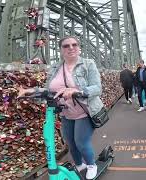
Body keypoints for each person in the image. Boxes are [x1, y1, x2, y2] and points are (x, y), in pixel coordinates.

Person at [17, 36, 103, 179]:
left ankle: (91, 164)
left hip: (85, 111)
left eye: (74, 44)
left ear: (79, 47)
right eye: (66, 46)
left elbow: (97, 88)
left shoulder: (88, 64)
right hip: (66, 113)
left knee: (81, 142)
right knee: (70, 141)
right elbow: (49, 91)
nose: (71, 48)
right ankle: (79, 164)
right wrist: (30, 91)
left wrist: (78, 92)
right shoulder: (56, 67)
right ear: (61, 49)